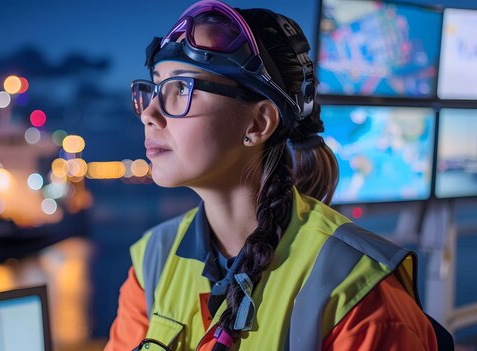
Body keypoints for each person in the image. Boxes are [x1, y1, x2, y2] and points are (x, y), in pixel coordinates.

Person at [105, 1, 451, 350]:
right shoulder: (153, 260)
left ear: (258, 123)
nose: (149, 113)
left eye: (181, 88)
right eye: (154, 87)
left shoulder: (357, 291)